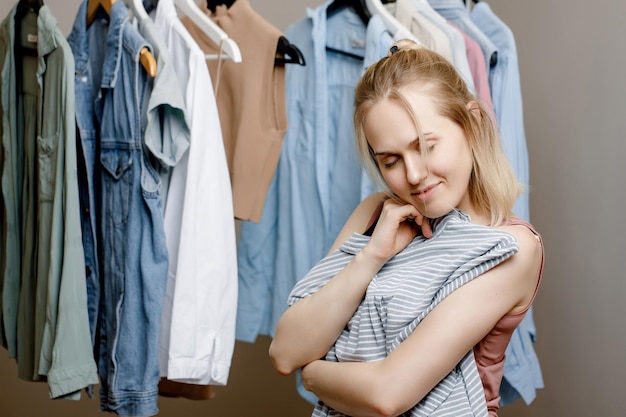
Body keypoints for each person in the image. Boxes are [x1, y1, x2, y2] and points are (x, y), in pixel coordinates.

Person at [268, 39, 544, 417]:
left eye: (427, 146)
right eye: (390, 160)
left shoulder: (509, 247)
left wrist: (313, 374)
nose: (414, 175)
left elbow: (387, 395)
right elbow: (285, 352)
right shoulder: (374, 213)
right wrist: (373, 255)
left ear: (473, 123)